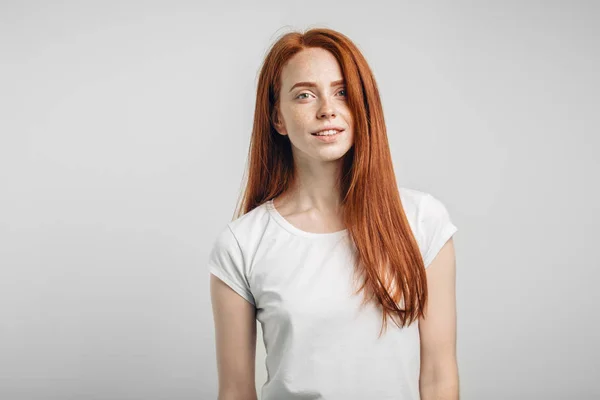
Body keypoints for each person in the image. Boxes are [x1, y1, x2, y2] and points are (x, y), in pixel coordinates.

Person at [209, 27, 459, 400]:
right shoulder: (242, 244)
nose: (327, 109)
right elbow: (235, 391)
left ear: (363, 104)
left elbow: (439, 377)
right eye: (305, 95)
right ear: (277, 118)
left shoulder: (423, 221)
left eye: (342, 92)